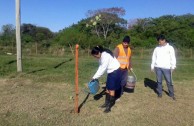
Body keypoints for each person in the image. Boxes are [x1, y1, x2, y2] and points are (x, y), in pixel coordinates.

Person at [91, 46, 122, 113]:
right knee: (107, 88)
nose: (95, 57)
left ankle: (109, 107)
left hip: (115, 71)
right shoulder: (101, 56)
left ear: (99, 52)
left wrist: (95, 77)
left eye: (95, 56)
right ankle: (106, 103)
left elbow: (102, 69)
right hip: (110, 72)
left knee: (111, 89)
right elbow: (100, 67)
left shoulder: (105, 56)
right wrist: (94, 76)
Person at [151, 34, 176, 100]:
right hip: (158, 67)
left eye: (160, 41)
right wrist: (152, 66)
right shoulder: (157, 48)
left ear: (164, 40)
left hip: (167, 68)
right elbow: (154, 57)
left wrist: (173, 66)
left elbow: (173, 57)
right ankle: (159, 94)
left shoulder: (170, 48)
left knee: (169, 81)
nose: (159, 43)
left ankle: (171, 94)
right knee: (159, 81)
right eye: (158, 42)